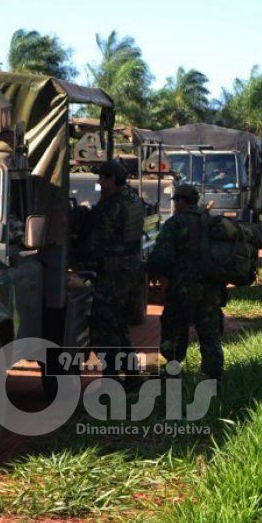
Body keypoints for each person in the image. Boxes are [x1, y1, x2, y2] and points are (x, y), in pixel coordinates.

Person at [147, 184, 225, 382]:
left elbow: (161, 257)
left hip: (182, 288)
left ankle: (172, 370)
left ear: (181, 201)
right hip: (211, 288)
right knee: (209, 332)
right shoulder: (211, 222)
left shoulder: (176, 223)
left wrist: (151, 271)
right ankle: (214, 375)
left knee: (175, 328)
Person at [87, 160, 145, 378]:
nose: (100, 182)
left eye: (102, 178)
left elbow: (96, 243)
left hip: (113, 273)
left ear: (112, 180)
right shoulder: (133, 199)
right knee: (120, 326)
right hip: (130, 270)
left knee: (104, 329)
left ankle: (111, 378)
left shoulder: (111, 205)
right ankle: (131, 377)